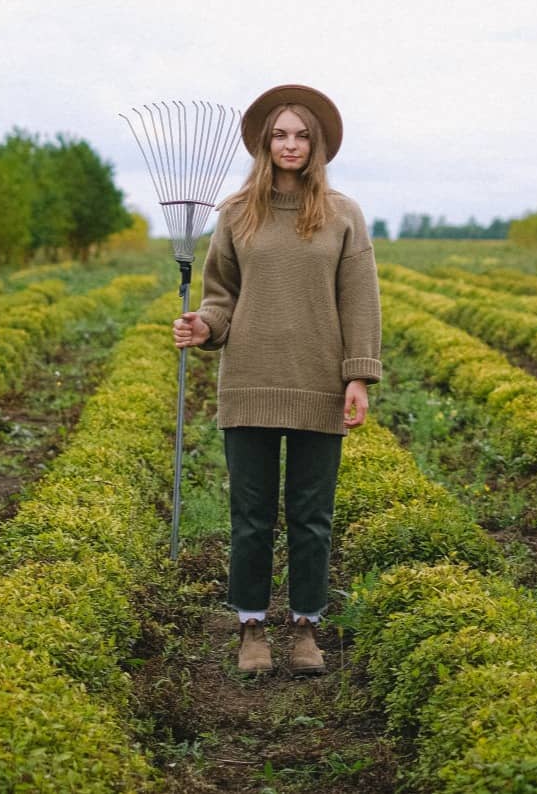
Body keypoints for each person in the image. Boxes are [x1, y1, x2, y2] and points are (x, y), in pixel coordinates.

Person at [172, 84, 382, 676]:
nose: (290, 144)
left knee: (312, 517)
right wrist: (202, 327)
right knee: (252, 516)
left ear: (316, 146)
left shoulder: (343, 215)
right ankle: (252, 628)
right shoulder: (237, 214)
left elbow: (360, 301)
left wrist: (358, 376)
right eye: (281, 134)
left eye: (302, 135)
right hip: (250, 383)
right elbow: (221, 299)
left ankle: (307, 628)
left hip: (317, 383)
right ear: (265, 143)